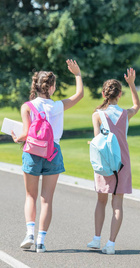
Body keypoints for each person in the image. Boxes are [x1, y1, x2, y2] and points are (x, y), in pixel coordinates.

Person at [12, 59, 84, 252]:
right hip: (53, 152)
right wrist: (77, 74)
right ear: (51, 87)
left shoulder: (27, 106)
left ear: (36, 86)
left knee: (30, 196)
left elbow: (26, 134)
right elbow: (79, 95)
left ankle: (29, 234)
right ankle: (41, 242)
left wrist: (16, 137)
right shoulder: (58, 106)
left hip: (32, 152)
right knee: (46, 199)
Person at [86, 68, 140, 255]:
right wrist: (131, 83)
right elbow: (136, 105)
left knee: (101, 201)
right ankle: (111, 244)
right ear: (119, 94)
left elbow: (96, 140)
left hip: (104, 163)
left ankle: (96, 238)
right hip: (122, 163)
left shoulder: (97, 115)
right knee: (117, 205)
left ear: (103, 94)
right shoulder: (125, 114)